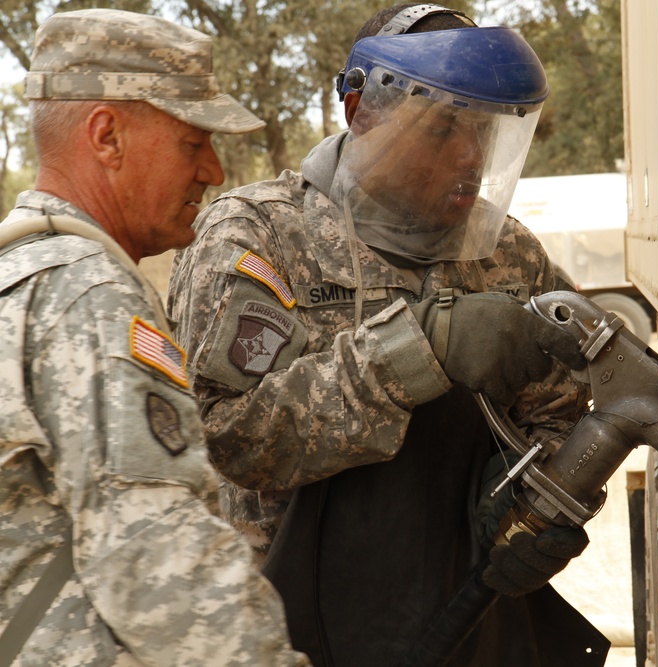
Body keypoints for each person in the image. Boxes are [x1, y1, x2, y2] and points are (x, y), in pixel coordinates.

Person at [167, 4, 610, 666]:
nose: (469, 157)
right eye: (442, 131)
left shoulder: (509, 252)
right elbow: (233, 439)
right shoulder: (259, 237)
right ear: (360, 112)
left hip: (467, 619)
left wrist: (537, 504)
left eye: (484, 133)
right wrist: (416, 350)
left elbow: (559, 414)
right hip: (285, 632)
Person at [0, 9, 310, 666]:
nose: (216, 172)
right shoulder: (92, 294)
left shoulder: (20, 275)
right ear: (106, 137)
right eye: (192, 145)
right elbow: (162, 563)